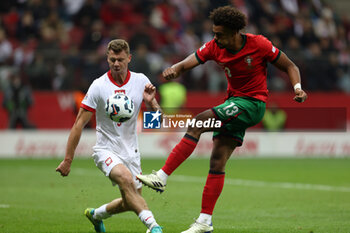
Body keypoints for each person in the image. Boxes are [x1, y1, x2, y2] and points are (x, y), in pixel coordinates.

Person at [136, 6, 307, 233]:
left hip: (252, 104)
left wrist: (297, 88)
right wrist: (176, 69)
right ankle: (205, 221)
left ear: (235, 32)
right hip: (234, 104)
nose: (215, 38)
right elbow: (193, 59)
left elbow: (290, 65)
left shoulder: (259, 44)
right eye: (214, 33)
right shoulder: (215, 47)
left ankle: (162, 176)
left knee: (198, 122)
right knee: (217, 161)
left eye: (219, 34)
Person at [56, 39, 163, 233]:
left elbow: (156, 124)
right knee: (125, 179)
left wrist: (151, 103)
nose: (116, 64)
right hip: (106, 149)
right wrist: (67, 160)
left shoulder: (141, 81)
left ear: (129, 58)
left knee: (131, 201)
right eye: (112, 59)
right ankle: (153, 226)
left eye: (120, 59)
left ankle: (96, 215)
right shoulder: (99, 86)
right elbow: (79, 123)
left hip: (131, 151)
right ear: (107, 58)